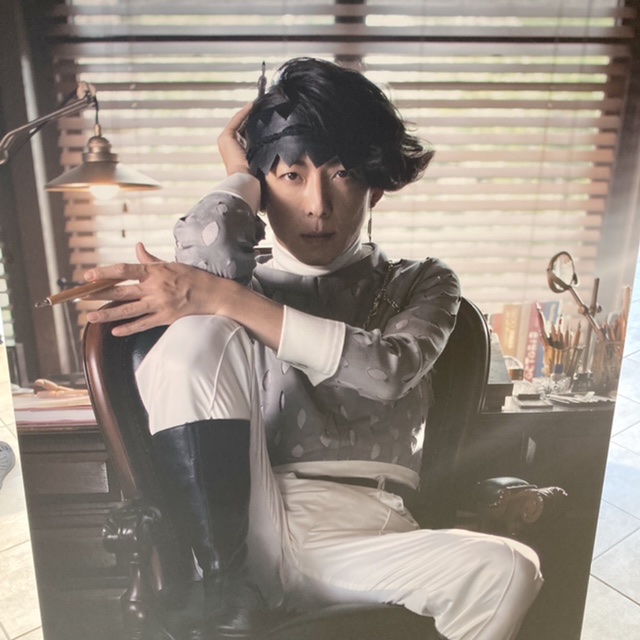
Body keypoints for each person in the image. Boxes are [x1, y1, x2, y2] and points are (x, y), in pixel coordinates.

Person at [84, 57, 543, 640]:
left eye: (342, 174)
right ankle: (228, 595)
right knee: (198, 328)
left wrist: (228, 299)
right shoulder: (235, 280)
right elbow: (206, 256)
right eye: (291, 176)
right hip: (256, 522)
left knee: (510, 569)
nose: (318, 205)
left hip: (376, 541)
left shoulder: (422, 282)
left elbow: (385, 371)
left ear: (375, 183)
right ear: (263, 191)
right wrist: (239, 175)